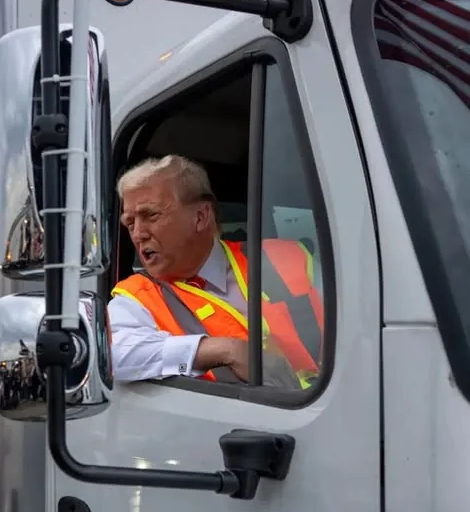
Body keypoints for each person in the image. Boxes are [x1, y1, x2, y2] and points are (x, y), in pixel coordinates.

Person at [107, 154, 324, 388]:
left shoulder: (288, 258)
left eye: (151, 215)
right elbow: (111, 353)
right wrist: (223, 350)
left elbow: (360, 326)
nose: (138, 234)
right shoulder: (137, 296)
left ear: (200, 217)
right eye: (130, 223)